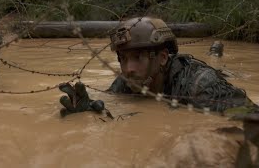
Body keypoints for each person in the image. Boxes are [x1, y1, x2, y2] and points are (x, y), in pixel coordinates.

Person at [58, 16, 258, 116]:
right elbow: (111, 103)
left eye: (137, 57)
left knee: (220, 66)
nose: (128, 68)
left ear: (162, 58)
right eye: (123, 59)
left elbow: (251, 118)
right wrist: (88, 110)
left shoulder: (201, 85)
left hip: (218, 75)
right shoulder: (127, 81)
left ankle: (215, 53)